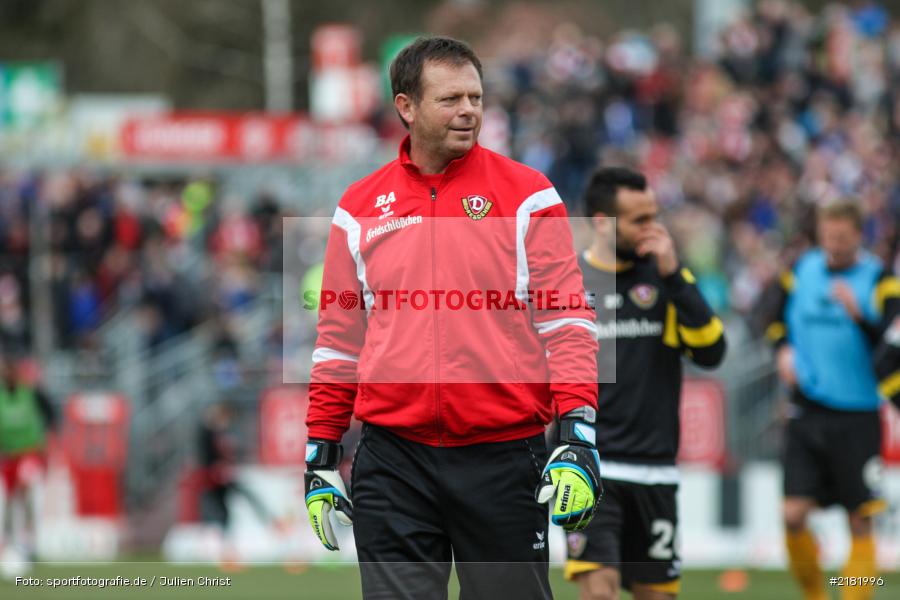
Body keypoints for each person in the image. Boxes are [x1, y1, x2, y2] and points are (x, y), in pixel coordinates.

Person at [303, 36, 602, 600]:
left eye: (476, 97)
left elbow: (568, 323)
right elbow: (338, 342)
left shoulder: (530, 196)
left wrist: (577, 434)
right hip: (392, 462)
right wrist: (321, 452)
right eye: (450, 99)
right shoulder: (357, 208)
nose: (468, 110)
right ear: (406, 107)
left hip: (504, 455)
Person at [563, 167, 726, 599]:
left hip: (655, 470)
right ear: (602, 222)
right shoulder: (569, 283)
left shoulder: (666, 280)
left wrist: (674, 276)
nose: (653, 230)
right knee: (599, 591)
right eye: (639, 220)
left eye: (654, 216)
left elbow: (712, 351)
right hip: (589, 466)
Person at [763, 201, 900, 600]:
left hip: (858, 414)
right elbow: (771, 317)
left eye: (841, 238)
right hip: (806, 410)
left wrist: (860, 316)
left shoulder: (881, 280)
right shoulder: (800, 271)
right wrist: (783, 349)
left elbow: (892, 343)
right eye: (828, 237)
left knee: (860, 520)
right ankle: (816, 595)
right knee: (792, 515)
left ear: (859, 235)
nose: (834, 246)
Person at [0, 354, 56, 567]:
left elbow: (51, 414)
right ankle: (12, 543)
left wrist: (50, 437)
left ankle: (35, 541)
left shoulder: (30, 393)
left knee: (29, 489)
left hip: (29, 453)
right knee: (9, 500)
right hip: (7, 456)